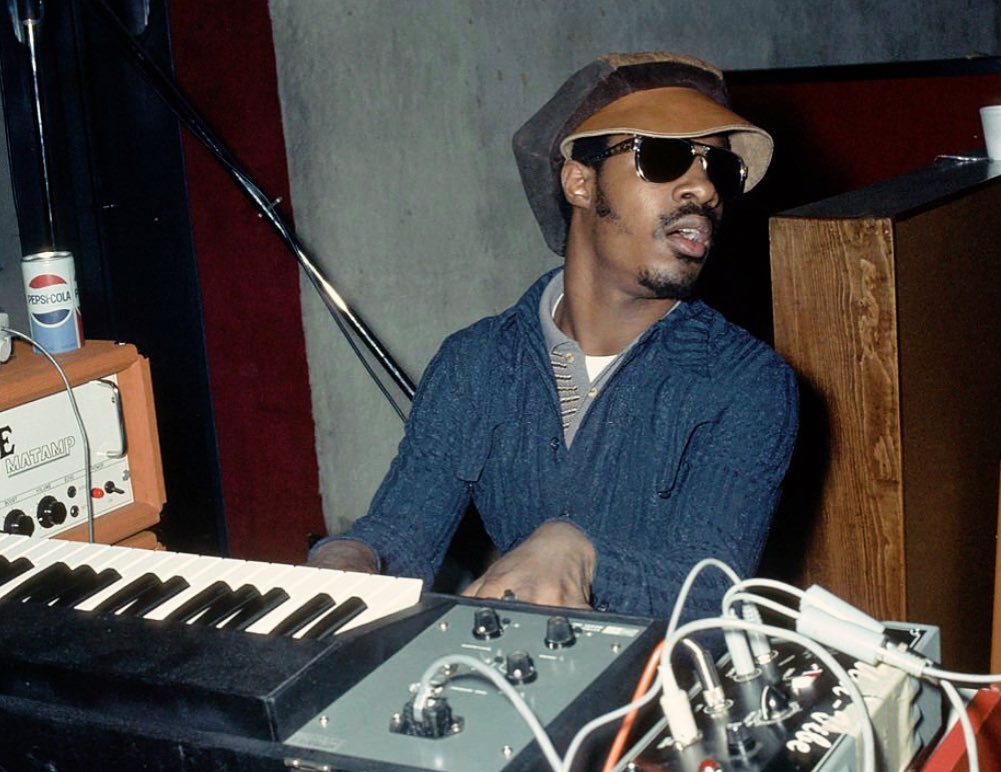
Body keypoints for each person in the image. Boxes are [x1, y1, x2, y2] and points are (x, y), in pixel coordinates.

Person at [308, 52, 798, 623]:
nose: (704, 189)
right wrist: (351, 555)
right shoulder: (475, 363)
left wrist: (582, 555)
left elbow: (715, 596)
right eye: (664, 157)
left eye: (720, 171)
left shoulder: (747, 382)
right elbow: (399, 532)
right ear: (580, 182)